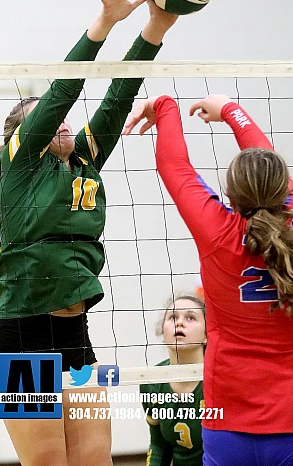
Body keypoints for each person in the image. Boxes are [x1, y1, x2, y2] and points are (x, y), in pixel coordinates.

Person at [0, 0, 179, 466]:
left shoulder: (86, 159)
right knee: (47, 463)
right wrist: (102, 24)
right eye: (49, 117)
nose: (64, 119)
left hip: (75, 336)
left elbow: (119, 95)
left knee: (96, 461)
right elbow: (63, 91)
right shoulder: (23, 165)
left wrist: (156, 25)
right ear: (27, 133)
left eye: (66, 117)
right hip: (22, 335)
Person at [124, 94, 293, 466]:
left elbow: (175, 168)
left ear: (229, 195)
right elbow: (270, 172)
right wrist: (232, 111)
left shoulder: (217, 230)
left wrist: (166, 107)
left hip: (227, 424)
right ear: (284, 190)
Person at [140, 295, 205, 466]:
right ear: (163, 333)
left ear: (207, 335)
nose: (180, 323)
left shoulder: (219, 379)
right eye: (173, 317)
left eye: (190, 318)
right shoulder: (151, 383)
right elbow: (158, 445)